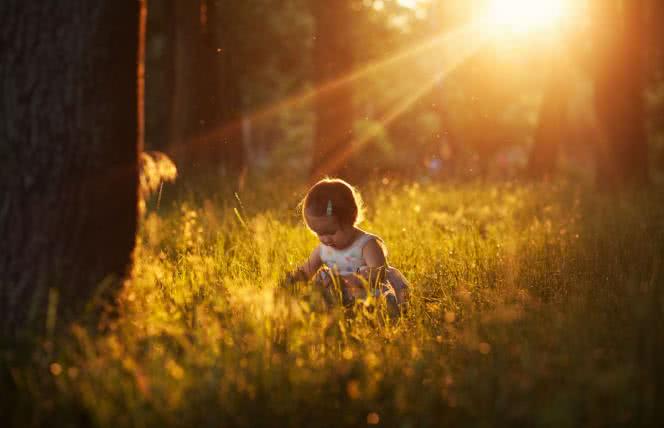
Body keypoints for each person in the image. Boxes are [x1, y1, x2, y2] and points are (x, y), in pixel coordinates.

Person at [285, 178, 409, 314]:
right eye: (318, 233)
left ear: (352, 217)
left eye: (331, 232)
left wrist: (351, 280)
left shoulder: (367, 245)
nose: (325, 239)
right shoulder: (323, 250)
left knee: (377, 299)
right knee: (316, 290)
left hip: (366, 291)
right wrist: (291, 282)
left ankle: (375, 311)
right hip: (339, 294)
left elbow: (378, 274)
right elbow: (306, 271)